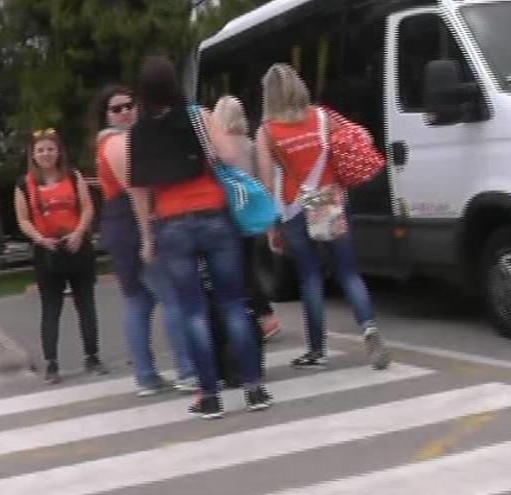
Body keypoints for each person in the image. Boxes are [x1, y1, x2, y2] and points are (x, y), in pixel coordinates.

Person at [113, 55, 272, 419]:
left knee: (193, 311)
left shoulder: (137, 133)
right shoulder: (199, 117)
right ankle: (254, 388)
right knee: (233, 304)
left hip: (171, 225)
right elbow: (230, 155)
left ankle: (209, 396)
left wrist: (147, 237)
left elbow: (138, 191)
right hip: (216, 217)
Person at [255, 63, 391, 370]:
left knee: (310, 277)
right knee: (347, 272)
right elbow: (348, 146)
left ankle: (317, 350)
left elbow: (265, 182)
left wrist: (271, 226)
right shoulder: (322, 117)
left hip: (293, 208)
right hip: (329, 201)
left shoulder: (266, 131)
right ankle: (369, 327)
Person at [93, 84, 198, 396]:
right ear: (106, 115)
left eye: (129, 105)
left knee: (138, 300)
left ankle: (146, 375)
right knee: (172, 297)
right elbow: (137, 191)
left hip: (121, 226)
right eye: (117, 108)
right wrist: (148, 236)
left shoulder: (115, 142)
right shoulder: (118, 143)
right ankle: (187, 370)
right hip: (132, 225)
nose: (125, 111)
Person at [14, 128, 107, 384]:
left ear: (58, 152)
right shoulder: (25, 184)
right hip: (47, 251)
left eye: (50, 149)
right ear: (33, 154)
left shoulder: (73, 176)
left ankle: (92, 355)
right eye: (40, 150)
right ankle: (51, 363)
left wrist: (78, 233)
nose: (46, 154)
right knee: (50, 309)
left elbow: (87, 208)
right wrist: (39, 239)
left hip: (77, 246)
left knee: (85, 304)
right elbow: (23, 219)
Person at [212, 95, 281, 341]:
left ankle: (260, 316)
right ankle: (262, 316)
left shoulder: (218, 149)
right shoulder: (250, 145)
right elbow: (264, 179)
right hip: (251, 214)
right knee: (248, 266)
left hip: (229, 214)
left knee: (236, 271)